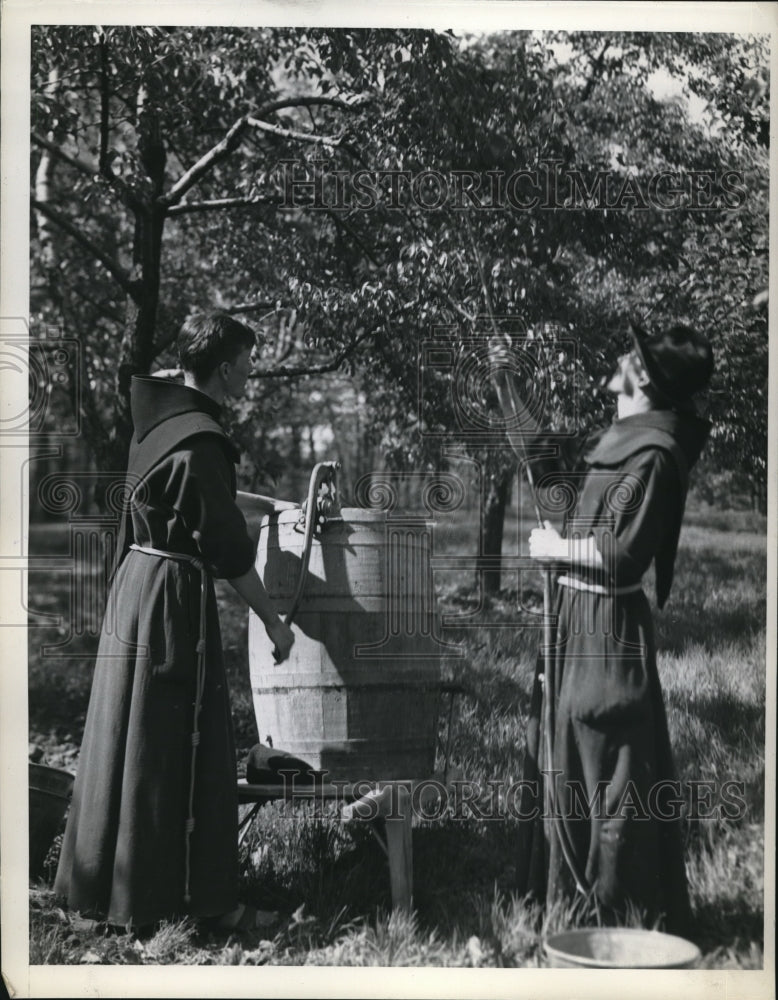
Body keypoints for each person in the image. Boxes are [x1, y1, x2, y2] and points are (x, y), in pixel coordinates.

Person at [54, 311, 296, 934]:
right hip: (171, 602)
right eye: (246, 360)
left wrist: (268, 503)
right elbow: (226, 545)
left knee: (130, 736)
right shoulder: (201, 439)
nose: (251, 370)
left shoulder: (162, 421)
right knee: (177, 742)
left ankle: (107, 886)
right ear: (223, 367)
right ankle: (204, 903)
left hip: (135, 585)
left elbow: (186, 491)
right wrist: (274, 622)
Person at [492, 321, 714, 935]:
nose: (621, 354)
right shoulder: (618, 438)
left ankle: (617, 915)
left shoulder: (657, 455)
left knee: (610, 760)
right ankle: (563, 905)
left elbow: (625, 555)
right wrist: (508, 384)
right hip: (572, 620)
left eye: (632, 353)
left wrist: (555, 551)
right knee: (562, 752)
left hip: (608, 628)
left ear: (642, 376)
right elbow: (551, 479)